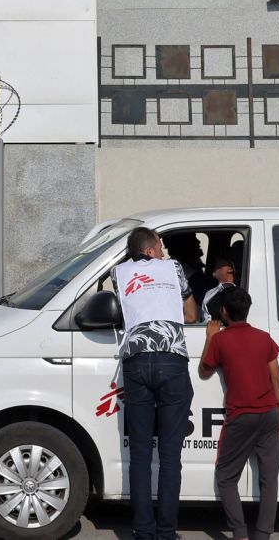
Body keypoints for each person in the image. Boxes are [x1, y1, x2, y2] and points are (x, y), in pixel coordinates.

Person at [113, 226, 199, 540]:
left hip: (135, 361)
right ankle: (167, 532)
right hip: (171, 358)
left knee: (139, 454)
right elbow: (191, 314)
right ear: (150, 250)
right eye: (160, 247)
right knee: (170, 456)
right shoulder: (173, 268)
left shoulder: (117, 273)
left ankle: (142, 531)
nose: (163, 252)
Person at [199, 287, 279, 540]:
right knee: (269, 480)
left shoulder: (221, 340)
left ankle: (240, 534)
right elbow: (276, 380)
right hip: (269, 413)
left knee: (226, 477)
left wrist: (210, 337)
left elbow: (204, 371)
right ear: (247, 310)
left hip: (241, 417)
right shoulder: (264, 338)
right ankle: (263, 535)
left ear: (224, 312)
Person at [201, 255, 237, 323]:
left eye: (219, 265)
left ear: (230, 270)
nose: (216, 267)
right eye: (215, 265)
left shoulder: (235, 293)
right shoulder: (210, 292)